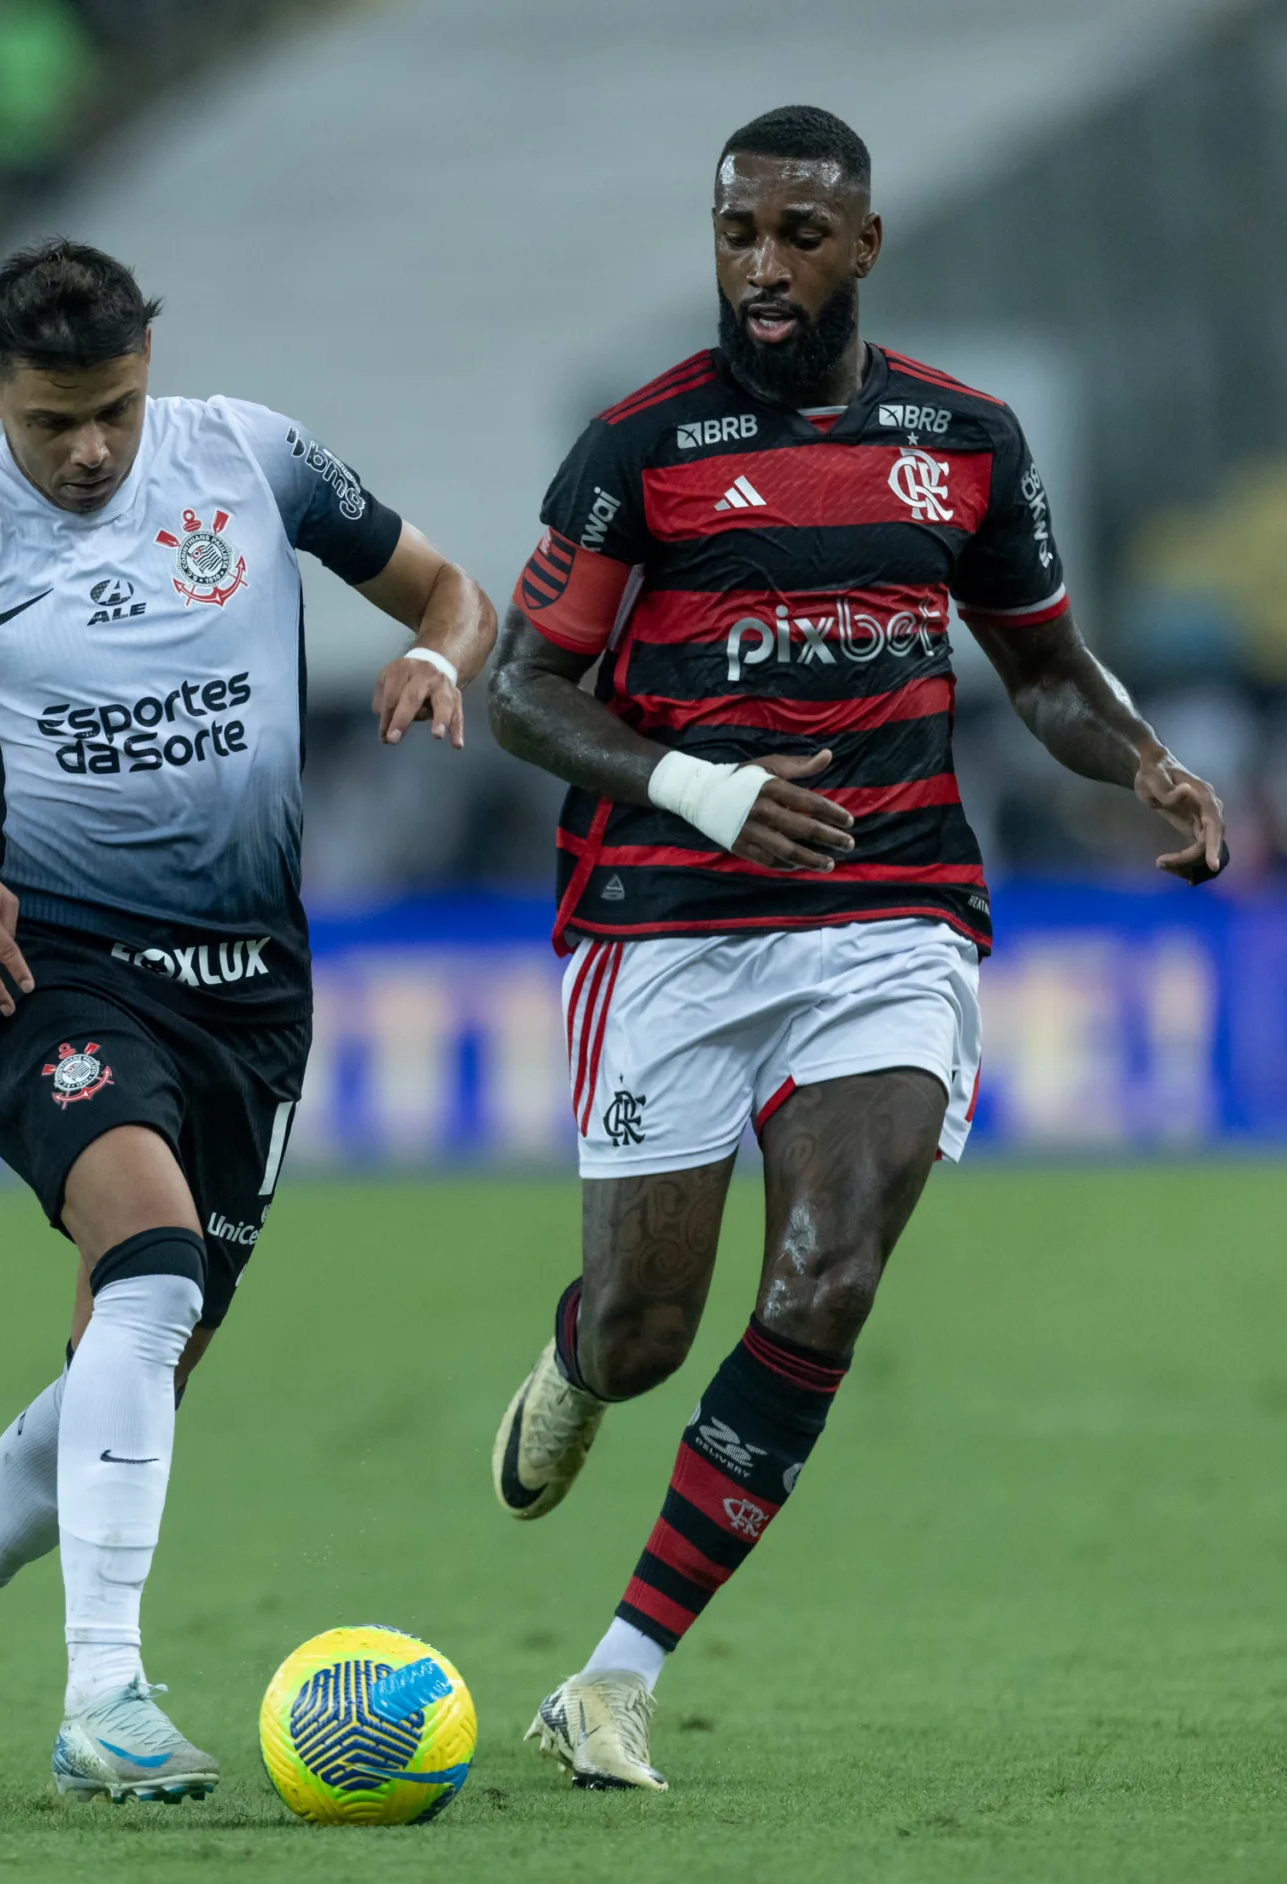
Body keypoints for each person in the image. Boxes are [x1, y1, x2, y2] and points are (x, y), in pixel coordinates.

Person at [483, 107, 1227, 1792]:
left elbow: (1041, 668)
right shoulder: (639, 447)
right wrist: (703, 788)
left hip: (890, 917)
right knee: (647, 1332)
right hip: (667, 923)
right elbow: (525, 689)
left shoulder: (963, 440)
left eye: (797, 236)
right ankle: (579, 1346)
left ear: (864, 247)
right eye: (738, 231)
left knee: (827, 1275)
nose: (761, 265)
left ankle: (615, 1678)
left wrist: (1151, 764)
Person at [0, 239, 495, 1802]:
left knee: (130, 1373)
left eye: (115, 413)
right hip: (57, 970)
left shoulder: (252, 458)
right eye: (52, 420)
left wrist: (432, 655)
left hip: (257, 995)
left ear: (154, 369)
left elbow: (453, 589)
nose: (88, 451)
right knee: (146, 1259)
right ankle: (109, 1703)